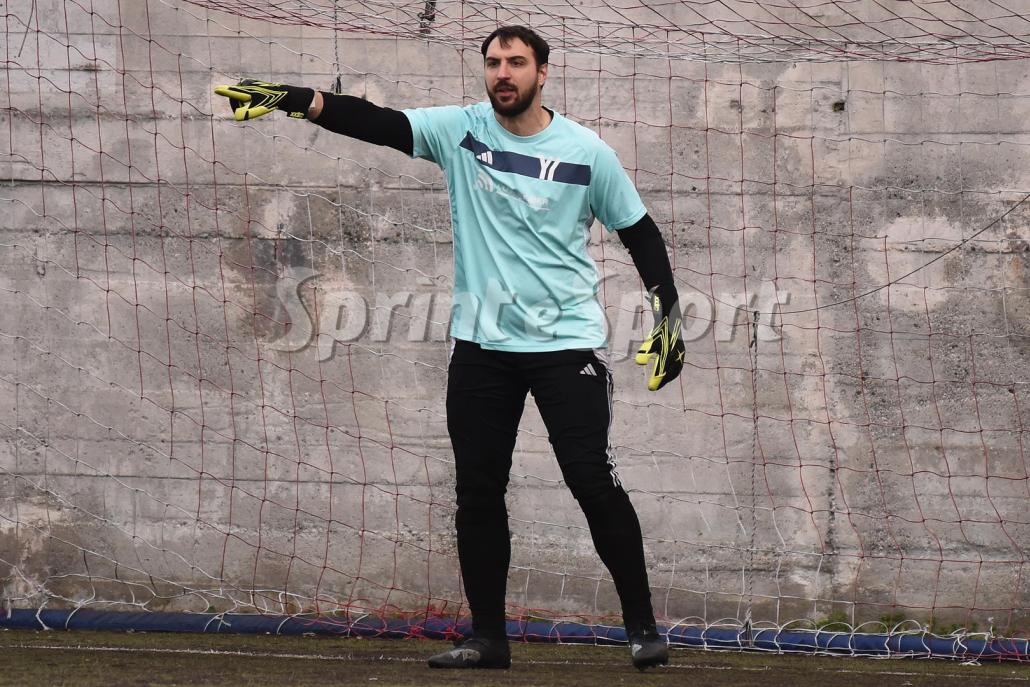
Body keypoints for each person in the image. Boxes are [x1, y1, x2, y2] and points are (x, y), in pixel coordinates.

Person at [215, 24, 684, 671]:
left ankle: (642, 628)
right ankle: (489, 639)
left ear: (543, 72)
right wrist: (295, 99)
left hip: (565, 346)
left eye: (516, 62)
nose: (503, 73)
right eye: (493, 62)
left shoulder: (586, 152)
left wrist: (668, 317)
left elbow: (640, 232)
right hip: (482, 348)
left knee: (591, 481)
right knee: (478, 492)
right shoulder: (460, 131)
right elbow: (377, 122)